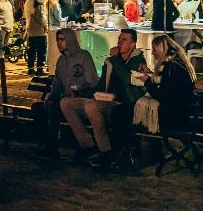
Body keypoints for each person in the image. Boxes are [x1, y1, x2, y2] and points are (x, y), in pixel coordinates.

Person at [60, 29, 146, 169]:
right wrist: (81, 91)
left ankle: (106, 151)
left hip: (123, 106)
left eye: (124, 40)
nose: (119, 42)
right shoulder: (111, 62)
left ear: (133, 44)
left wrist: (115, 59)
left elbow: (127, 78)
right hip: (105, 100)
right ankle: (87, 145)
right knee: (67, 103)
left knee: (92, 107)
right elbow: (100, 86)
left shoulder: (138, 61)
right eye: (119, 39)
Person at [40, 28, 99, 160]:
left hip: (83, 99)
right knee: (47, 107)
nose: (59, 43)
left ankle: (86, 147)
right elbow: (57, 84)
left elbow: (93, 83)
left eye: (62, 40)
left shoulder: (83, 56)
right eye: (57, 40)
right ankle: (52, 147)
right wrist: (51, 97)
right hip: (66, 100)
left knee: (60, 107)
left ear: (70, 40)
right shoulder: (61, 61)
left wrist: (80, 91)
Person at [137, 34, 197, 133]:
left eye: (154, 50)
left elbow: (162, 95)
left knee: (123, 113)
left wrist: (147, 81)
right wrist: (151, 74)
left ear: (162, 50)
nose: (152, 53)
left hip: (172, 116)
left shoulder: (170, 67)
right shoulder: (178, 62)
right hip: (182, 112)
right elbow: (169, 86)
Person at [24, 0, 49, 76]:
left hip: (30, 30)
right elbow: (40, 16)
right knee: (41, 51)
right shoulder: (38, 2)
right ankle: (40, 70)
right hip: (39, 30)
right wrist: (45, 26)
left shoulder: (28, 1)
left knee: (31, 51)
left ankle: (30, 69)